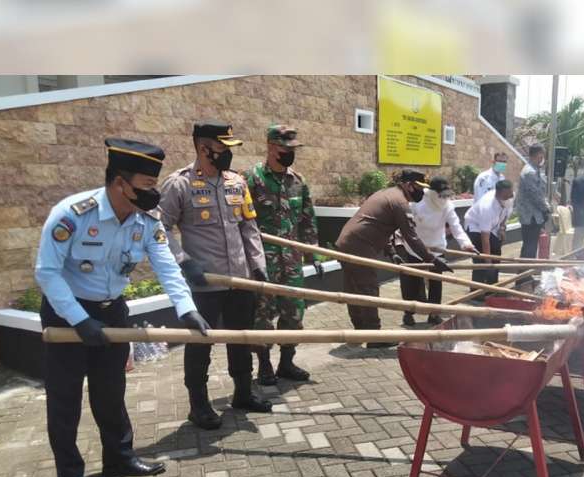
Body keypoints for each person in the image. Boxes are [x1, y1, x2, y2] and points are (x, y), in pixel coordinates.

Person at [34, 138, 210, 477]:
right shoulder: (72, 215)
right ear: (119, 183)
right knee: (65, 400)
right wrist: (80, 321)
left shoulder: (146, 219)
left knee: (110, 391)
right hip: (67, 314)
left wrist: (186, 308)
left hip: (113, 311)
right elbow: (47, 274)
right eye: (145, 186)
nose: (153, 194)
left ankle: (119, 457)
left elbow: (165, 263)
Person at [159, 120, 271, 431]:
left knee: (241, 337)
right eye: (222, 149)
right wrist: (184, 261)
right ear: (203, 147)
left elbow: (248, 226)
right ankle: (198, 405)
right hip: (204, 282)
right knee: (200, 343)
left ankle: (243, 393)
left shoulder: (237, 182)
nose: (227, 155)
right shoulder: (178, 184)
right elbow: (159, 229)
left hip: (240, 278)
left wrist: (257, 263)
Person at [335, 169, 452, 347]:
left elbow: (377, 224)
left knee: (354, 289)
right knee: (368, 289)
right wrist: (432, 259)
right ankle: (374, 337)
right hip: (360, 245)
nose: (421, 192)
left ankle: (360, 330)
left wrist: (391, 252)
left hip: (347, 241)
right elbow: (411, 237)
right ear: (407, 185)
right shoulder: (399, 202)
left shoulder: (386, 194)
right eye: (417, 187)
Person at [245, 124, 321, 385]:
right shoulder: (252, 179)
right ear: (270, 146)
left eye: (293, 149)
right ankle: (264, 365)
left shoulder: (298, 181)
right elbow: (241, 223)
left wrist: (313, 254)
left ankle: (286, 363)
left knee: (294, 313)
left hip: (291, 261)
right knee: (262, 315)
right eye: (285, 148)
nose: (290, 153)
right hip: (262, 262)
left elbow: (307, 218)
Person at [394, 175, 476, 326]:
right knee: (411, 283)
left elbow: (456, 227)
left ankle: (434, 314)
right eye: (441, 195)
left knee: (436, 283)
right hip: (416, 248)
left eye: (446, 195)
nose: (444, 198)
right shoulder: (418, 204)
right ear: (432, 192)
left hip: (436, 248)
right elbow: (407, 228)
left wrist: (466, 244)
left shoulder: (448, 206)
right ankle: (408, 314)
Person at [464, 179, 514, 285]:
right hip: (475, 228)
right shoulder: (487, 207)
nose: (510, 197)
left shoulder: (509, 197)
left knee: (496, 251)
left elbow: (506, 214)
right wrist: (488, 261)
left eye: (510, 194)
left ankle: (492, 286)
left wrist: (502, 228)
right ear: (498, 193)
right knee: (480, 258)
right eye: (507, 195)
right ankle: (477, 291)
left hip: (492, 228)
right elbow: (485, 238)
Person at [515, 143, 551, 258]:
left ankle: (525, 272)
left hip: (534, 215)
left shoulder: (534, 170)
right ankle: (524, 273)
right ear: (535, 156)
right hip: (530, 216)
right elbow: (536, 196)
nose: (542, 159)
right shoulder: (530, 172)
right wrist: (546, 209)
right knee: (529, 247)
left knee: (531, 246)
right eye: (541, 157)